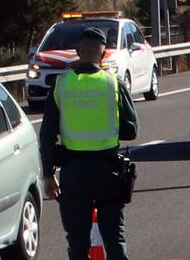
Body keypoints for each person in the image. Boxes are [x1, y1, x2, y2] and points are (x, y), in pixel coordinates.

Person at [40, 27, 138, 260]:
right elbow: (131, 130)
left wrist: (48, 174)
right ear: (103, 55)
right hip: (108, 172)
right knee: (115, 239)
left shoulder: (61, 85)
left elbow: (46, 135)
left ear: (77, 51)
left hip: (73, 173)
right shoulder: (114, 83)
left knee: (77, 242)